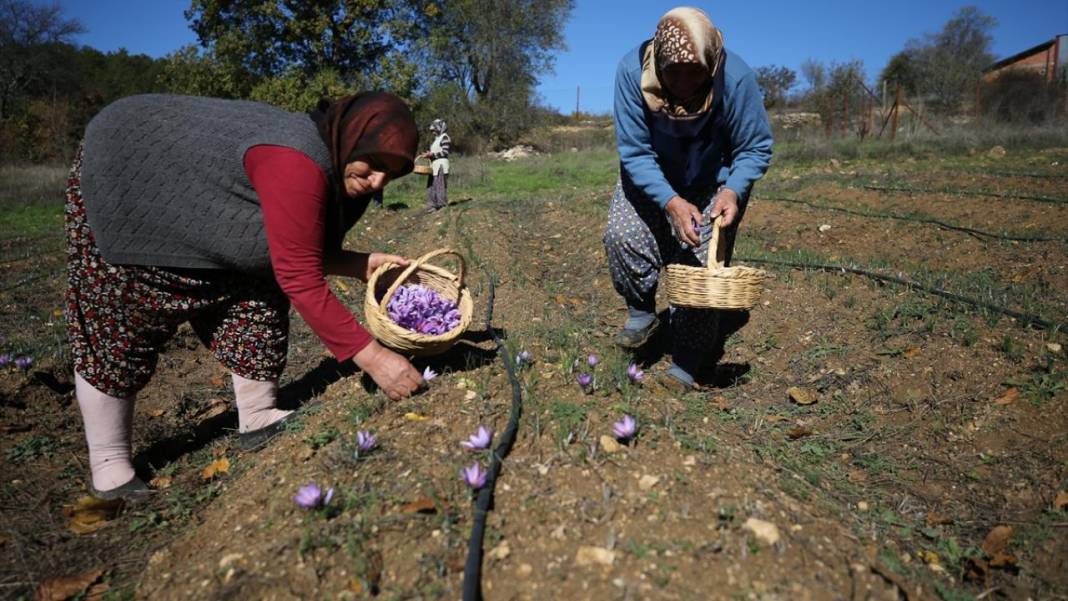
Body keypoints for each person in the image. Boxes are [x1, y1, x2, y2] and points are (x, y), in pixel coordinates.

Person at [66, 92, 428, 498]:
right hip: (129, 171)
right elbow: (300, 275)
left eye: (391, 174)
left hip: (204, 204)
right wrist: (375, 358)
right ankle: (109, 462)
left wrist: (362, 265)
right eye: (374, 163)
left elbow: (295, 246)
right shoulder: (298, 161)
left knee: (254, 288)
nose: (378, 181)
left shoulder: (334, 165)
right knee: (122, 315)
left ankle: (257, 415)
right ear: (351, 138)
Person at [603, 7, 772, 392]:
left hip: (715, 183)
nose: (681, 82)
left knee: (700, 269)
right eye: (671, 71)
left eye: (693, 71)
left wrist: (732, 190)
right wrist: (670, 200)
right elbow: (635, 152)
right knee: (622, 236)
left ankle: (687, 364)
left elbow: (754, 147)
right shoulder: (632, 72)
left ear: (711, 63)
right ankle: (642, 313)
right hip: (651, 177)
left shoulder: (736, 78)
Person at [419, 119, 451, 211]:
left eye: (434, 130)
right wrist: (428, 155)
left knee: (439, 185)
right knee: (431, 185)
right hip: (434, 166)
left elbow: (445, 152)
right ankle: (432, 205)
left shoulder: (445, 137)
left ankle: (442, 205)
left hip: (441, 165)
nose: (433, 132)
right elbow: (435, 152)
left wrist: (432, 155)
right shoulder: (437, 139)